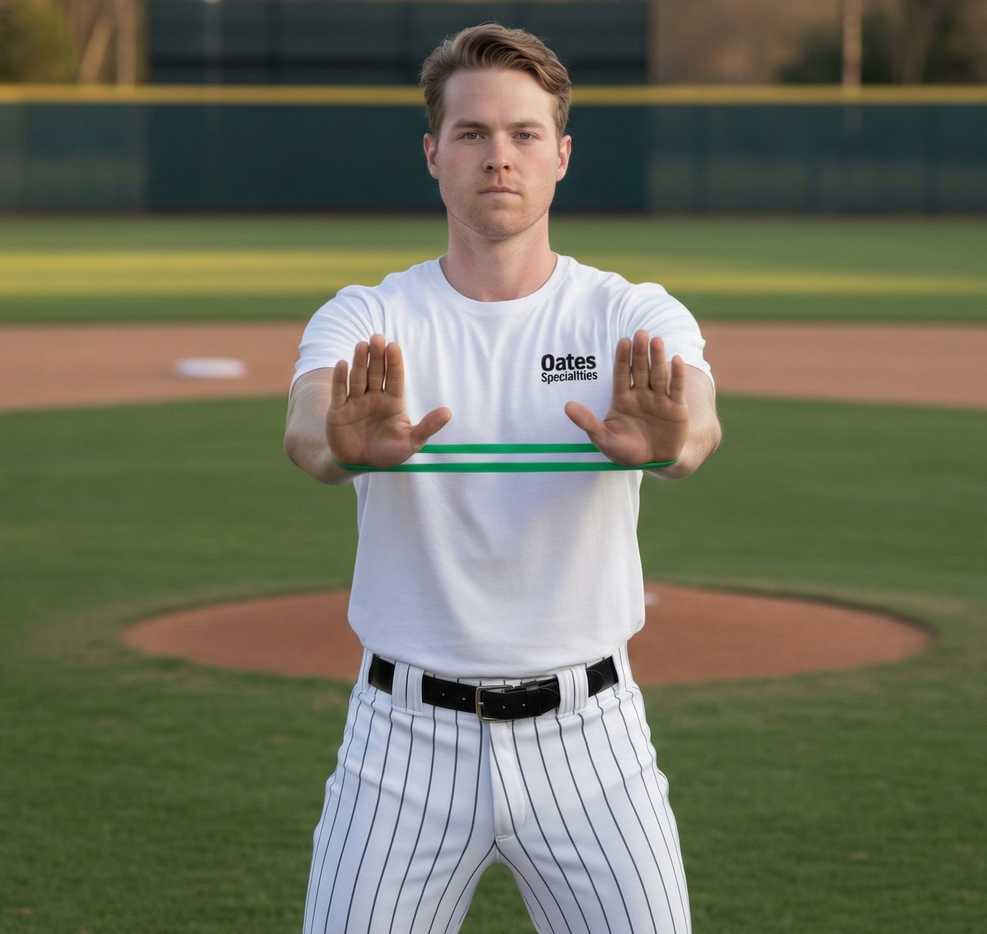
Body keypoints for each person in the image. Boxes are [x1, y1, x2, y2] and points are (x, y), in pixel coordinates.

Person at [284, 23, 722, 934]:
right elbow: (306, 432)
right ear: (432, 154)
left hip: (593, 741)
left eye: (525, 133)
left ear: (561, 155)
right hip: (401, 742)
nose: (499, 157)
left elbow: (699, 427)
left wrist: (672, 443)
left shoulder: (630, 314)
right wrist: (339, 447)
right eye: (473, 133)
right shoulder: (368, 318)